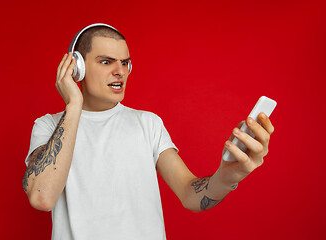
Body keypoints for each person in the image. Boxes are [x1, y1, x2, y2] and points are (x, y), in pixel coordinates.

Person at [22, 24, 275, 240]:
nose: (120, 71)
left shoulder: (148, 123)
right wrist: (74, 105)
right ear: (77, 67)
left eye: (125, 62)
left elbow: (190, 195)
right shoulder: (47, 126)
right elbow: (42, 197)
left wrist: (227, 176)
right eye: (106, 61)